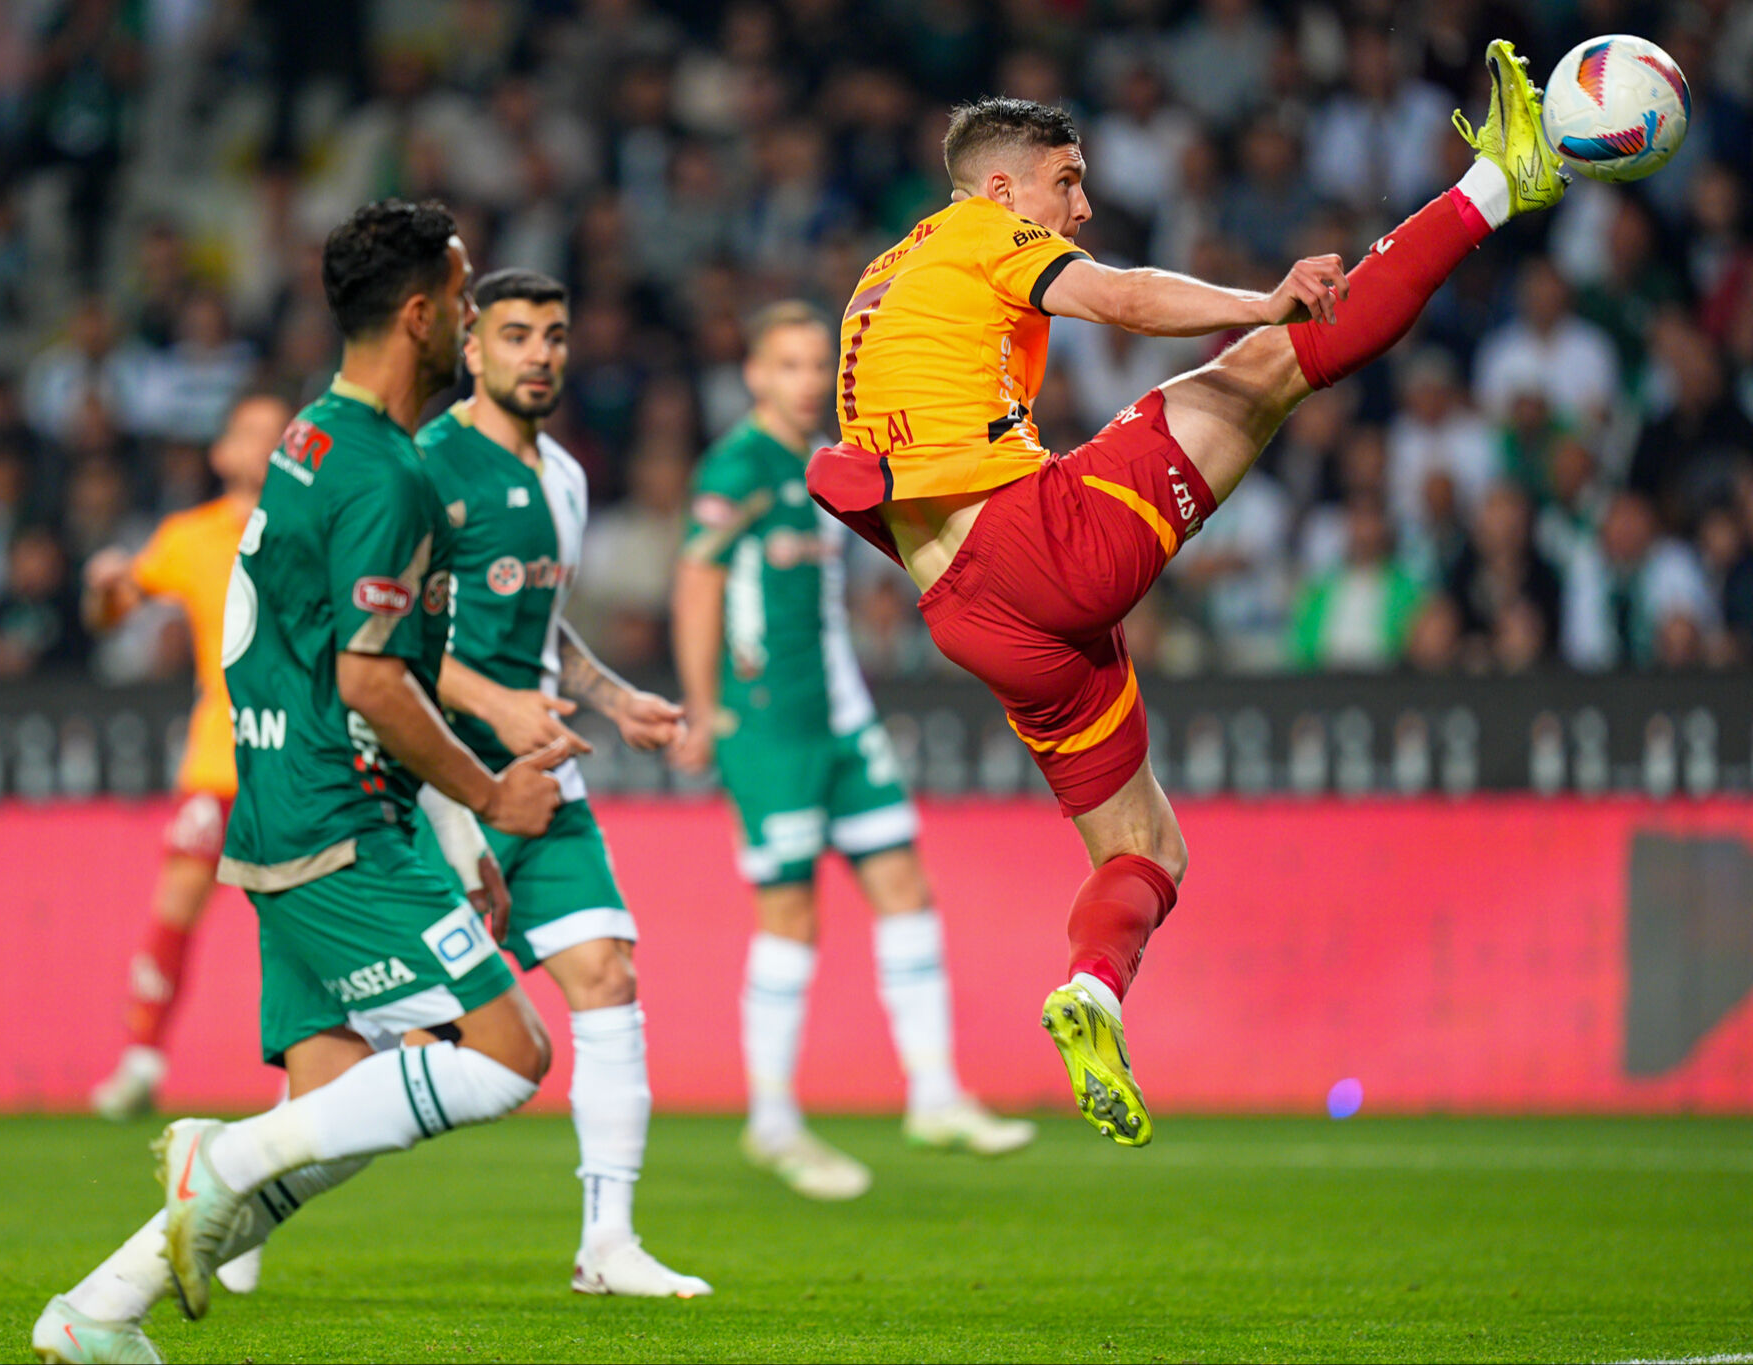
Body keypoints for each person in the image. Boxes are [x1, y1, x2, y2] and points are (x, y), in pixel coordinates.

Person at [804, 46, 1572, 1147]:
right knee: (1264, 363)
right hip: (1039, 553)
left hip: (974, 619)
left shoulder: (875, 287)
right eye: (1065, 181)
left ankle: (1092, 994)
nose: (1081, 203)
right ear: (1000, 188)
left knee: (1144, 852)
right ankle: (1500, 184)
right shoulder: (981, 234)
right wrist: (1260, 299)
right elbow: (1114, 295)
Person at [32, 199, 570, 1363]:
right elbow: (372, 681)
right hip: (337, 816)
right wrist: (489, 801)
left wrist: (453, 849)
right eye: (467, 302)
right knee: (509, 1053)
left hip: (285, 798)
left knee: (331, 1113)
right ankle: (211, 1157)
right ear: (423, 316)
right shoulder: (387, 475)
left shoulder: (306, 438)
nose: (476, 322)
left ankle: (91, 1315)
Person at [670, 301, 1035, 1201]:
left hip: (840, 715)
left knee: (904, 884)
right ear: (755, 374)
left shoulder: (829, 462)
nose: (805, 380)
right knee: (790, 914)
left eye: (814, 363)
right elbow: (696, 577)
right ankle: (772, 1116)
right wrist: (706, 710)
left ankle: (937, 1092)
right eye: (787, 364)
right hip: (770, 723)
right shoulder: (739, 464)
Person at [405, 266, 708, 1296]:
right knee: (381, 1045)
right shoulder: (423, 470)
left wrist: (615, 699)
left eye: (555, 335)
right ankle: (243, 1181)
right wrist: (490, 706)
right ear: (471, 347)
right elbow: (375, 641)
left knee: (607, 975)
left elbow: (541, 634)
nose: (540, 353)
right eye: (517, 335)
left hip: (543, 777)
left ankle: (607, 1242)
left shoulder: (567, 479)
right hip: (426, 786)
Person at [84, 392, 289, 1124]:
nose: (265, 444)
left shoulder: (312, 526)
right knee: (176, 902)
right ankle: (141, 1058)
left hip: (297, 759)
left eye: (278, 433)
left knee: (299, 918)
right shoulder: (190, 535)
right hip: (219, 756)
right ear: (223, 453)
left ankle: (303, 1069)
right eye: (252, 433)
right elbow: (117, 610)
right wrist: (105, 589)